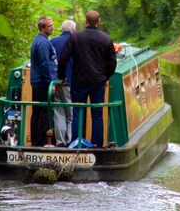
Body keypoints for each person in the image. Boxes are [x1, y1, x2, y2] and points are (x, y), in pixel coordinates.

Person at [57, 10, 117, 148]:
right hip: (98, 82)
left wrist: (62, 77)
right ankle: (96, 143)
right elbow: (112, 62)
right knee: (97, 114)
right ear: (99, 21)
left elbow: (63, 58)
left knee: (78, 112)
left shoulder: (75, 37)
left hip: (79, 81)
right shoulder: (106, 39)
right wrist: (105, 76)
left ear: (85, 20)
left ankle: (77, 143)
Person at [28, 16, 56, 147]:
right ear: (43, 28)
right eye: (50, 26)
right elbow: (45, 64)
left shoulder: (37, 40)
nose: (53, 27)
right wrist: (50, 83)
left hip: (37, 81)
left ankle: (35, 140)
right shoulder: (44, 43)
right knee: (44, 112)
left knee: (37, 112)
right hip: (43, 83)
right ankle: (40, 142)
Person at [49, 19, 76, 147]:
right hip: (70, 82)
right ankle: (69, 142)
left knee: (58, 112)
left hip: (55, 82)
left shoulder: (52, 41)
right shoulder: (76, 41)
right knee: (70, 115)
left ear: (61, 29)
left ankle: (60, 142)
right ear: (73, 30)